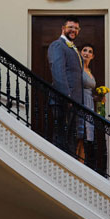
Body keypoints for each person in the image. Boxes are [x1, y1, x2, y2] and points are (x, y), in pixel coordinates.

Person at [47, 15, 84, 150]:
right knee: (61, 140)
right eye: (70, 27)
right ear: (63, 29)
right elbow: (58, 73)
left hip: (74, 102)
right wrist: (66, 97)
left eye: (76, 28)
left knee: (70, 141)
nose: (73, 30)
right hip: (63, 101)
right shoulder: (57, 45)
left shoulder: (74, 49)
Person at [76, 43, 98, 163]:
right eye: (84, 50)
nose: (87, 53)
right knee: (78, 137)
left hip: (90, 104)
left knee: (86, 138)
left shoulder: (89, 71)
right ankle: (74, 166)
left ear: (92, 56)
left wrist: (98, 98)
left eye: (90, 51)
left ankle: (81, 165)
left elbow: (89, 90)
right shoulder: (77, 68)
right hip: (80, 102)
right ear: (80, 52)